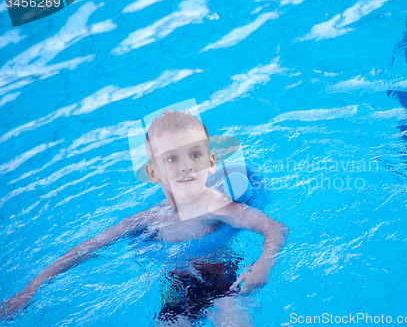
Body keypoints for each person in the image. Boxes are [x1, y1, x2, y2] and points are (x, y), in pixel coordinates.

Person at [0, 109, 289, 326]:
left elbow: (275, 229)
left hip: (224, 282)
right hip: (178, 290)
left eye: (195, 155)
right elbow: (88, 247)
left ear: (211, 163)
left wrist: (262, 265)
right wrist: (33, 285)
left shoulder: (215, 205)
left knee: (231, 318)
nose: (185, 167)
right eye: (172, 159)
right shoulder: (147, 218)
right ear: (153, 173)